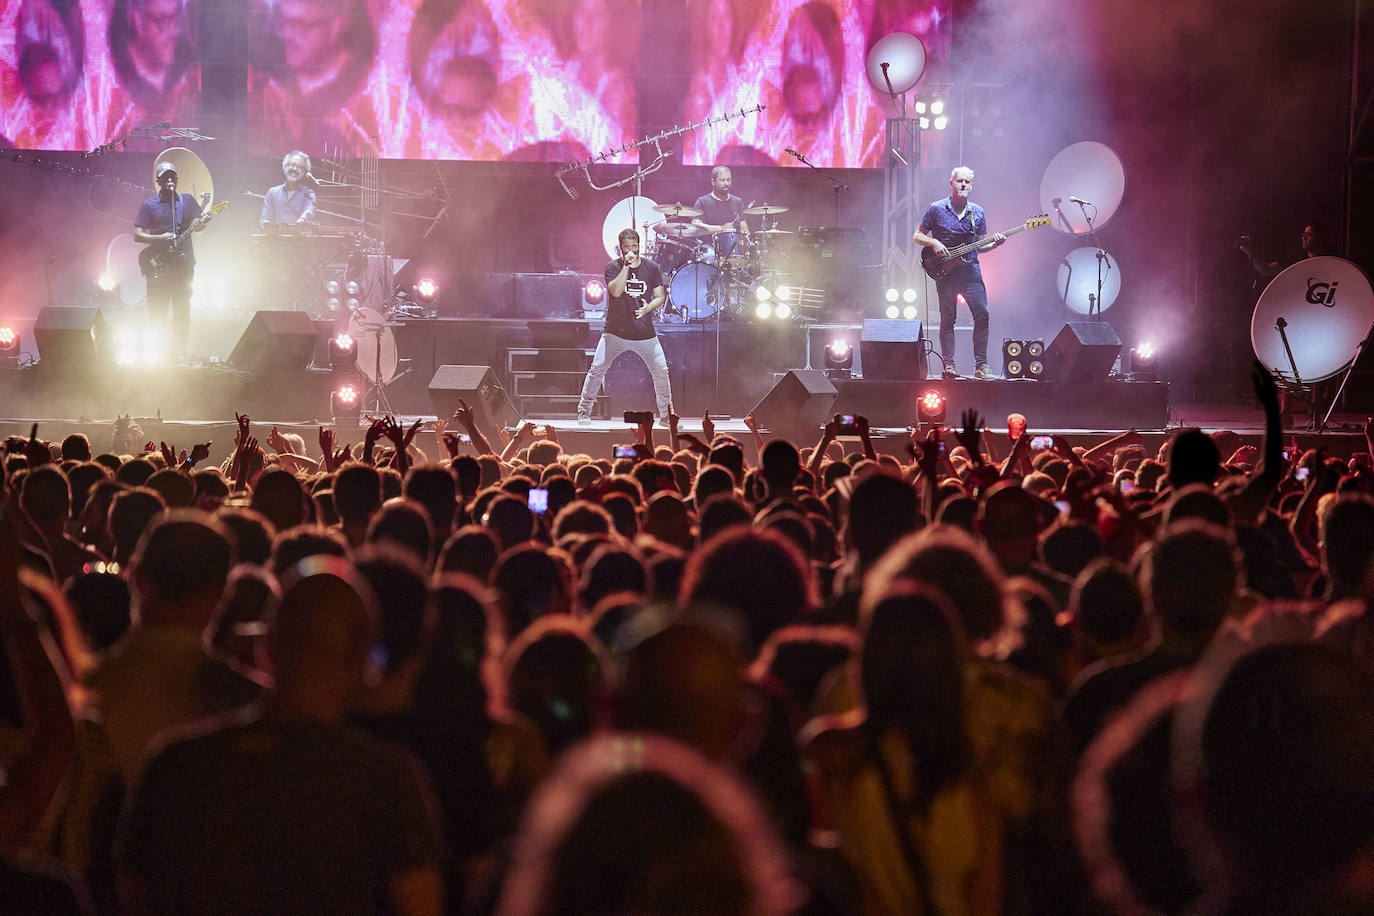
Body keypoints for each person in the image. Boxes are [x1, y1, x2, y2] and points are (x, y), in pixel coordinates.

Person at [913, 166, 1006, 380]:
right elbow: (917, 237)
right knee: (948, 319)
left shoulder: (978, 212)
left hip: (971, 271)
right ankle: (949, 366)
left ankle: (981, 365)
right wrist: (934, 242)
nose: (963, 185)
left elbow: (980, 245)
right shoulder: (936, 209)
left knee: (982, 314)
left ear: (971, 185)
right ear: (951, 183)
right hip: (945, 272)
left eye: (967, 182)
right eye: (960, 181)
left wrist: (996, 244)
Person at [576, 228, 673, 425]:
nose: (631, 250)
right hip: (615, 332)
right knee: (597, 369)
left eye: (635, 246)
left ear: (640, 246)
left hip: (644, 333)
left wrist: (648, 309)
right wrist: (627, 267)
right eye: (627, 247)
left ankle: (667, 415)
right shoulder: (613, 267)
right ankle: (584, 411)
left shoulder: (652, 267)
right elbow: (616, 291)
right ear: (620, 248)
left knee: (661, 370)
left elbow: (660, 296)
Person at [134, 159, 209, 361]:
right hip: (159, 266)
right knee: (157, 312)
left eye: (172, 176)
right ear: (158, 181)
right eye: (165, 177)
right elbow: (137, 234)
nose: (169, 180)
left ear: (177, 179)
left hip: (184, 267)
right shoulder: (149, 205)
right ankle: (157, 355)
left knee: (182, 312)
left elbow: (198, 227)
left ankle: (178, 356)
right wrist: (160, 238)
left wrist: (204, 222)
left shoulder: (188, 201)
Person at [691, 165, 751, 263]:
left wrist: (746, 235)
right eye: (722, 180)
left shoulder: (737, 201)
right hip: (709, 247)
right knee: (711, 259)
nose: (726, 183)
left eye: (729, 180)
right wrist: (721, 228)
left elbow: (744, 225)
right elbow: (696, 224)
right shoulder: (703, 201)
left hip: (733, 248)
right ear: (713, 182)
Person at [1238, 223, 1330, 279]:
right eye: (1304, 234)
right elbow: (1267, 270)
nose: (1304, 238)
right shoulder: (1297, 261)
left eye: (1309, 234)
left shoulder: (1333, 260)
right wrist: (1251, 252)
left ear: (1321, 238)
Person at [259, 150, 317, 228]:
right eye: (292, 165)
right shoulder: (272, 192)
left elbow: (309, 211)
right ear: (285, 167)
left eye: (300, 167)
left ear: (304, 173)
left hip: (299, 238)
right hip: (275, 238)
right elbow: (265, 218)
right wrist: (267, 224)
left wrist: (302, 221)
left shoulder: (309, 194)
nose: (295, 169)